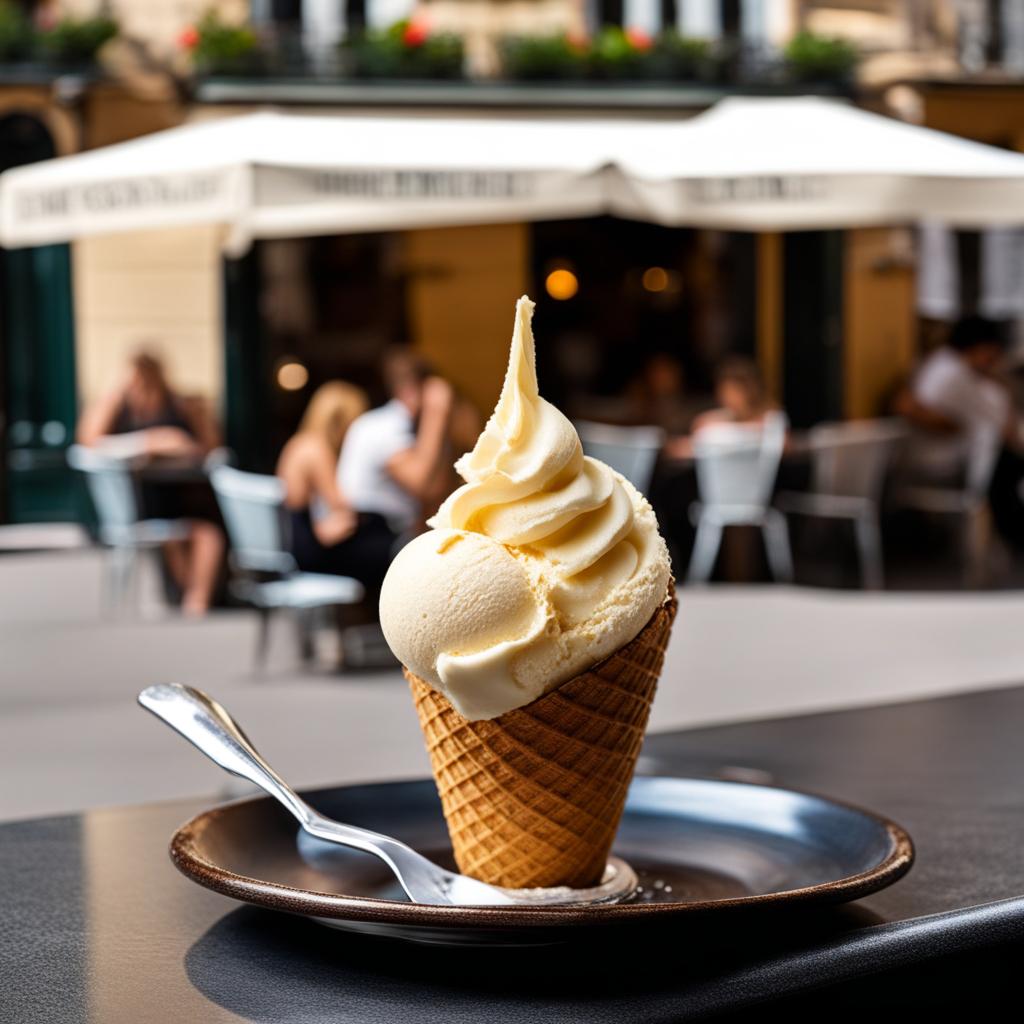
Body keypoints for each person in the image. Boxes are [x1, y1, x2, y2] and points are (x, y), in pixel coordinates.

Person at [76, 349, 225, 615]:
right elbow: (87, 440)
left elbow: (210, 449)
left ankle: (191, 599)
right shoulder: (119, 407)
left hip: (182, 492)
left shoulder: (178, 405)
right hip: (140, 500)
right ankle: (194, 602)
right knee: (199, 533)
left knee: (203, 529)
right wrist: (149, 440)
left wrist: (187, 430)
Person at [894, 316, 1024, 546]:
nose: (994, 359)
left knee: (1005, 465)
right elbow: (993, 419)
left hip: (944, 457)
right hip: (935, 463)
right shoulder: (953, 372)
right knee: (1006, 465)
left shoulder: (948, 365)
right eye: (991, 352)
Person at [336, 347, 455, 588]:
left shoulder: (396, 426)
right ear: (413, 391)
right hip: (367, 537)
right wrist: (437, 413)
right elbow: (421, 483)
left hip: (381, 534)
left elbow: (436, 491)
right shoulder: (385, 426)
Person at [276, 381, 376, 580]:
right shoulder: (317, 450)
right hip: (305, 550)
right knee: (382, 549)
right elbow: (340, 503)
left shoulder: (298, 443)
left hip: (291, 542)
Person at [663, 356, 785, 459]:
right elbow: (699, 428)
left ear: (750, 390)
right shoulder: (724, 417)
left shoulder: (772, 417)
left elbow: (779, 443)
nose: (727, 398)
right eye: (723, 392)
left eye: (733, 392)